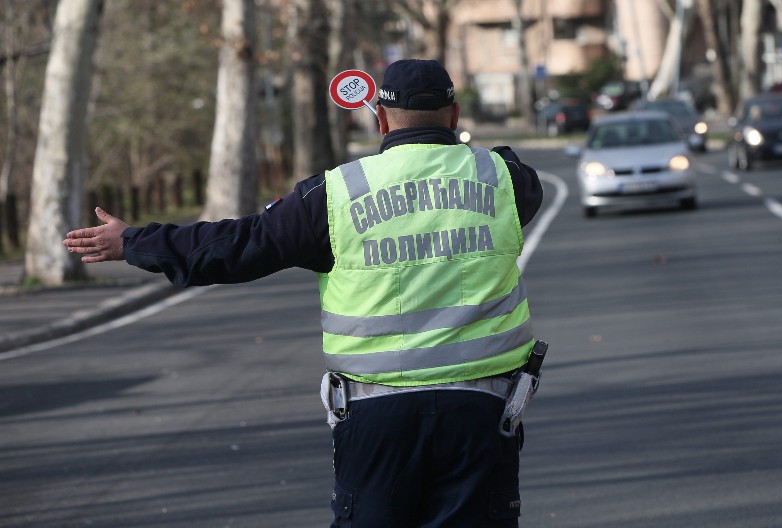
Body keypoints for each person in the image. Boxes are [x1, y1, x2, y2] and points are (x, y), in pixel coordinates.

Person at [64, 59, 543, 527]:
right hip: (482, 414)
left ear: (380, 119)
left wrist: (133, 242)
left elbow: (239, 245)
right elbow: (513, 169)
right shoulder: (503, 181)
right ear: (455, 116)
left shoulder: (336, 195)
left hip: (376, 414)